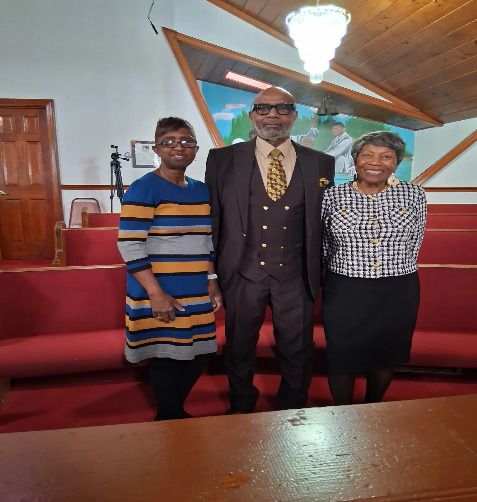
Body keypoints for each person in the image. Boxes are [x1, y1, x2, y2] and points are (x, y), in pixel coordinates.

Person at [205, 87, 335, 413]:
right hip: (242, 271)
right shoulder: (221, 160)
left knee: (298, 349)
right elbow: (212, 220)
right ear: (253, 115)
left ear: (294, 115)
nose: (272, 115)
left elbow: (325, 220)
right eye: (263, 108)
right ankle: (241, 406)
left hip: (296, 274)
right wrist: (211, 274)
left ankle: (292, 409)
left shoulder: (321, 163)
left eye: (282, 108)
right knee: (239, 346)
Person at [117, 117, 222, 420]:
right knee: (166, 356)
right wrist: (156, 293)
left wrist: (212, 279)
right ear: (157, 149)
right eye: (169, 142)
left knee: (199, 352)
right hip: (159, 288)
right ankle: (170, 416)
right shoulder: (143, 188)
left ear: (196, 149)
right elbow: (130, 244)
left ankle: (171, 413)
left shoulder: (202, 190)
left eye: (187, 141)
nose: (179, 147)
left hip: (194, 287)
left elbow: (206, 240)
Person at [321, 131, 427, 405]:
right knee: (341, 355)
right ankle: (342, 412)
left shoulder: (414, 194)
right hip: (345, 288)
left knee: (386, 354)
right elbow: (324, 244)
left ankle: (372, 408)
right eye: (367, 155)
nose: (375, 162)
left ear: (396, 163)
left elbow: (416, 240)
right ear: (355, 160)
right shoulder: (332, 196)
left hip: (397, 289)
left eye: (386, 156)